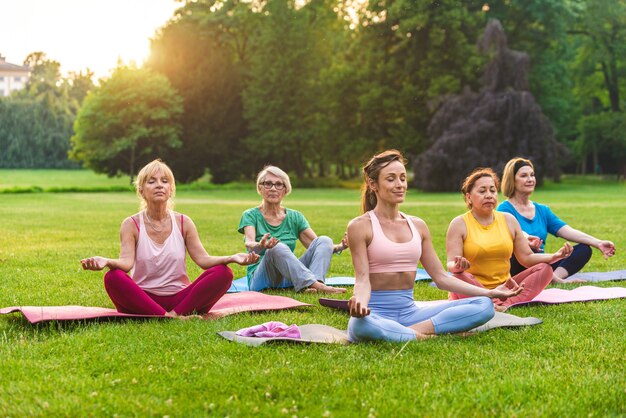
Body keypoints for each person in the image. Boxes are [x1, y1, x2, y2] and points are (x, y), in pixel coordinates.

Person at [347, 150, 523, 343]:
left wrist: (488, 292)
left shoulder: (418, 226)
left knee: (483, 306)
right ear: (373, 185)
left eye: (403, 178)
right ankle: (424, 336)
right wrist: (360, 303)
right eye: (391, 179)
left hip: (410, 313)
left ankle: (406, 332)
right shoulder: (360, 226)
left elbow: (440, 278)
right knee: (360, 324)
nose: (400, 185)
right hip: (376, 313)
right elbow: (362, 280)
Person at [81, 159, 258, 318]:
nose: (159, 185)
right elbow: (126, 263)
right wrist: (105, 261)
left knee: (224, 273)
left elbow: (203, 260)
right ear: (141, 190)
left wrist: (232, 258)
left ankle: (170, 315)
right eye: (152, 181)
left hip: (181, 299)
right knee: (113, 277)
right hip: (144, 298)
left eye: (164, 181)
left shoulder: (184, 222)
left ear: (170, 190)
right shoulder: (131, 224)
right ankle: (170, 316)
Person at [446, 168, 574, 310]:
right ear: (469, 197)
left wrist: (555, 256)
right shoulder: (459, 224)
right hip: (474, 287)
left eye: (492, 190)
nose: (489, 195)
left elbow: (527, 257)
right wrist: (457, 266)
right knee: (458, 278)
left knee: (545, 269)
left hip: (505, 287)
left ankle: (505, 304)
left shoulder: (508, 220)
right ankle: (491, 302)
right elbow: (451, 264)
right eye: (482, 191)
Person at [497, 157, 616, 283]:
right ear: (512, 180)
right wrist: (526, 239)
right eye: (524, 176)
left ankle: (554, 278)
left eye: (532, 175)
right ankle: (551, 278)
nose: (530, 179)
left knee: (584, 249)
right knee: (526, 248)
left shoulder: (542, 210)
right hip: (519, 264)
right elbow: (517, 234)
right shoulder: (504, 209)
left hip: (542, 262)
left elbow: (567, 230)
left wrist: (598, 243)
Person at [238, 165, 347, 294]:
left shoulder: (295, 217)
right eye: (268, 184)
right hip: (262, 279)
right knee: (276, 247)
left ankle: (315, 285)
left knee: (324, 240)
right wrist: (261, 245)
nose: (273, 188)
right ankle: (315, 285)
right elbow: (249, 244)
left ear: (285, 190)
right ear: (260, 188)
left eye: (279, 184)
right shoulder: (250, 215)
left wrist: (340, 246)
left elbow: (318, 246)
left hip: (289, 276)